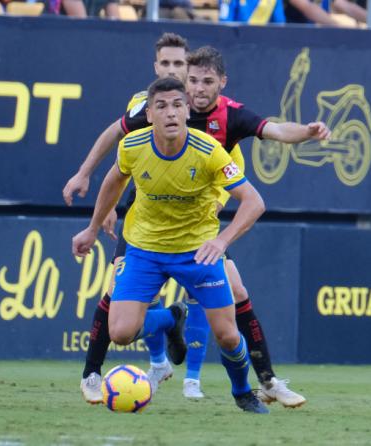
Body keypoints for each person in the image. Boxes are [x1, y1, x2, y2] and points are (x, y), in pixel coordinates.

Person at [121, 46, 329, 406]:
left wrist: (307, 133)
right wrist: (92, 188)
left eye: (207, 82)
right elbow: (119, 143)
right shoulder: (162, 110)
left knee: (238, 293)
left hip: (200, 227)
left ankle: (266, 380)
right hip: (150, 221)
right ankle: (124, 359)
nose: (198, 89)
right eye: (193, 81)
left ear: (222, 83)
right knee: (120, 313)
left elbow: (276, 129)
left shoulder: (231, 116)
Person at [72, 77, 270, 414]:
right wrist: (92, 228)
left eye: (177, 105)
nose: (170, 113)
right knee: (119, 332)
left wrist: (221, 241)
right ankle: (168, 320)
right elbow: (112, 183)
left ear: (187, 109)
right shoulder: (132, 146)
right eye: (161, 106)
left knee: (227, 336)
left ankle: (242, 391)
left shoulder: (209, 151)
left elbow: (254, 202)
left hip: (196, 252)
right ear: (149, 114)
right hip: (145, 249)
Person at [64, 33, 190, 405]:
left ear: (189, 66)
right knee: (118, 293)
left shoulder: (206, 110)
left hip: (191, 220)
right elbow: (116, 144)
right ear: (155, 67)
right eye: (165, 63)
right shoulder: (145, 107)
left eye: (178, 63)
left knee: (227, 305)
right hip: (145, 215)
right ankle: (92, 373)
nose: (171, 69)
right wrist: (87, 177)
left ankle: (259, 379)